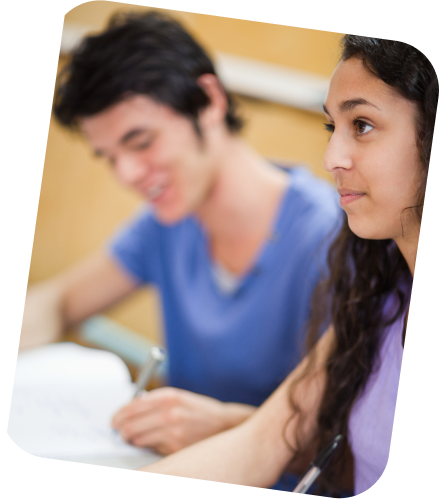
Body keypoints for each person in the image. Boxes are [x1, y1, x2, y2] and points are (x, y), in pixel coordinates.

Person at [19, 9, 340, 471]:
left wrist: (227, 425)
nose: (127, 174)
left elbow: (349, 448)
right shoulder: (167, 222)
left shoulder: (330, 239)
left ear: (208, 101)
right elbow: (57, 302)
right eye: (109, 157)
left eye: (140, 141)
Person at [138, 35, 437, 496]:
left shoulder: (312, 228)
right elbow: (262, 445)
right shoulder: (379, 295)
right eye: (332, 127)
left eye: (362, 125)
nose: (331, 159)